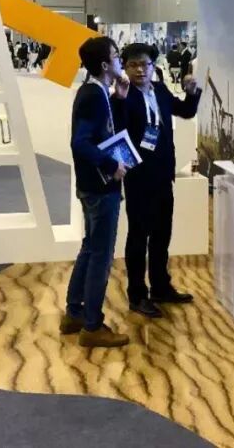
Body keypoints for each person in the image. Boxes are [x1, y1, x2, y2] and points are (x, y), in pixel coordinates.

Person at [117, 42, 202, 318]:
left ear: (154, 66)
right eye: (133, 65)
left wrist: (192, 93)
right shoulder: (123, 96)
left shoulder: (160, 90)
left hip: (164, 173)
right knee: (138, 236)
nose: (140, 70)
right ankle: (137, 294)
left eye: (145, 64)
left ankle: (161, 287)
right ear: (125, 67)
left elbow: (186, 111)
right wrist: (125, 169)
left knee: (162, 234)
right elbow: (117, 134)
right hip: (138, 177)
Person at [62, 36, 132, 348]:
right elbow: (81, 142)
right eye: (116, 56)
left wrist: (118, 99)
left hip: (94, 186)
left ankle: (75, 313)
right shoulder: (92, 95)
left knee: (90, 248)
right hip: (100, 188)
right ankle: (92, 326)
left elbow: (101, 130)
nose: (120, 61)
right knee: (101, 256)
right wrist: (111, 164)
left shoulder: (98, 92)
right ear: (105, 64)